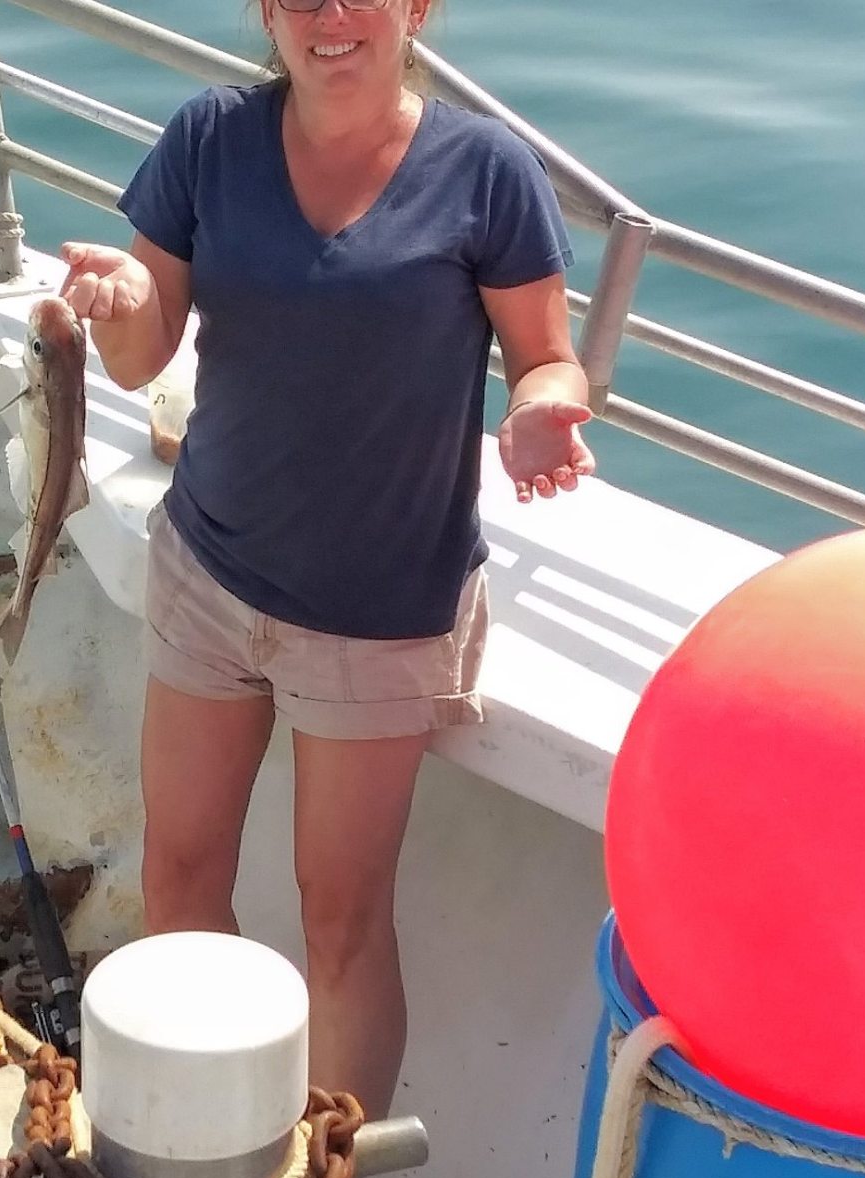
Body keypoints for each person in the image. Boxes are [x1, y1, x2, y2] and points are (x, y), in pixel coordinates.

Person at [60, 0, 594, 1121]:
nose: (330, 15)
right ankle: (205, 1140)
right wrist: (117, 303)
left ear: (415, 9)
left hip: (380, 611)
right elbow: (141, 354)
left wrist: (540, 413)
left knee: (341, 919)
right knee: (178, 878)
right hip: (209, 573)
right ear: (268, 13)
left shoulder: (487, 170)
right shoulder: (210, 137)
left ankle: (328, 1175)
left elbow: (547, 358)